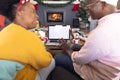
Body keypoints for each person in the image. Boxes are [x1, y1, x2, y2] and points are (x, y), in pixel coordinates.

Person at [54, 0, 120, 80]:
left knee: (58, 57)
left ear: (103, 4)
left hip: (100, 75)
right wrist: (83, 47)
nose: (86, 8)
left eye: (89, 5)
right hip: (113, 71)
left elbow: (80, 60)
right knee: (75, 46)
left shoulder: (101, 32)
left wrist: (68, 50)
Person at [0, 0, 55, 80]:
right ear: (19, 12)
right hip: (21, 77)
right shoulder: (29, 37)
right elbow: (45, 61)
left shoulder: (3, 31)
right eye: (33, 11)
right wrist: (49, 55)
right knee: (52, 62)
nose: (37, 16)